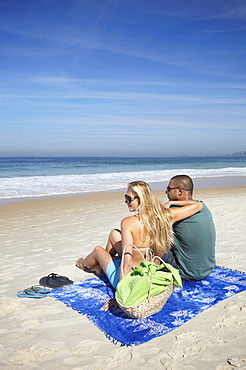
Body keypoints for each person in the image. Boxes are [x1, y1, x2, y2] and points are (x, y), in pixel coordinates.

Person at [76, 181, 202, 309]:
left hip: (133, 278)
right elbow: (198, 206)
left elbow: (127, 262)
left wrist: (121, 295)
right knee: (114, 234)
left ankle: (83, 264)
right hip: (151, 272)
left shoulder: (128, 222)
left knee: (98, 250)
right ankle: (100, 267)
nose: (126, 202)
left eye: (128, 198)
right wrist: (171, 203)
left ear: (140, 199)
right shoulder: (165, 216)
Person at [162, 175, 216, 281]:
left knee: (150, 242)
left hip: (187, 273)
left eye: (168, 189)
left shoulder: (173, 212)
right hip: (207, 269)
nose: (166, 192)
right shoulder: (202, 207)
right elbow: (196, 204)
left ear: (180, 191)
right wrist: (172, 202)